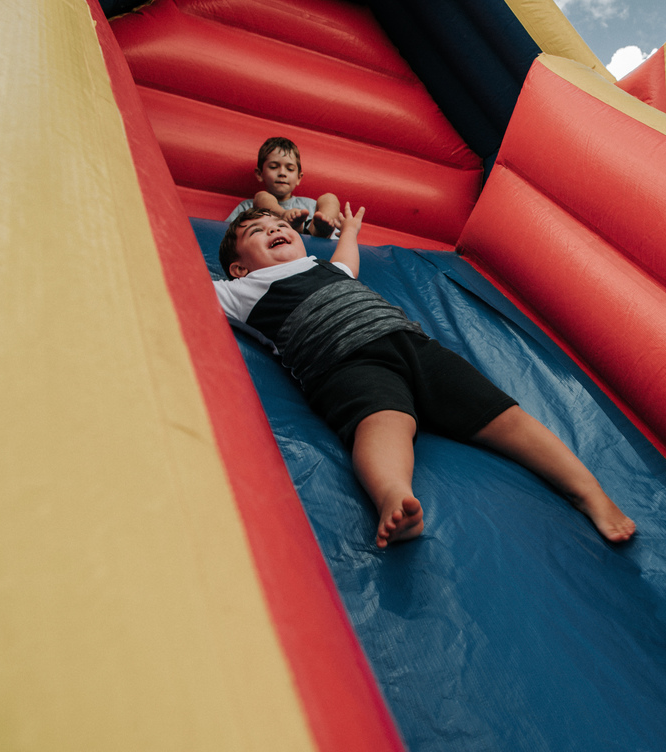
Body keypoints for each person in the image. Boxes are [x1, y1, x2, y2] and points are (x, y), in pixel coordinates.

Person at [214, 205, 636, 548]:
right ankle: (394, 495)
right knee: (381, 423)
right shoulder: (240, 292)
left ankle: (589, 492)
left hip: (413, 346)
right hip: (344, 364)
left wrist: (351, 233)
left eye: (277, 223)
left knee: (507, 417)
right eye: (256, 231)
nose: (273, 228)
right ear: (237, 268)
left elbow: (346, 264)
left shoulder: (323, 267)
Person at [226, 136, 342, 237]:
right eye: (273, 167)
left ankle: (323, 228)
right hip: (273, 241)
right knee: (261, 196)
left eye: (290, 169)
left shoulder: (311, 206)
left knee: (330, 198)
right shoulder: (247, 206)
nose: (282, 173)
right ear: (260, 174)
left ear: (298, 178)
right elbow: (227, 235)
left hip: (312, 238)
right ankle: (282, 218)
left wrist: (340, 229)